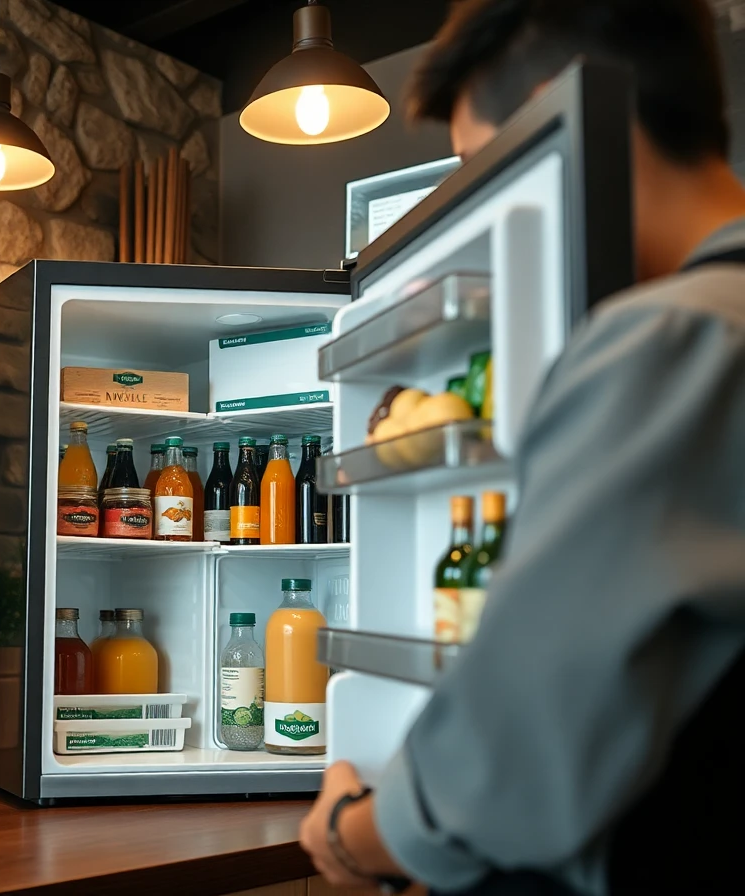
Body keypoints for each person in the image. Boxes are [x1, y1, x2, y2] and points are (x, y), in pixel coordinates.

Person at [299, 1, 745, 894]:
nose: (476, 192)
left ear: (560, 113)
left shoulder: (671, 341)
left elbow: (515, 767)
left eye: (478, 165)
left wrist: (352, 834)